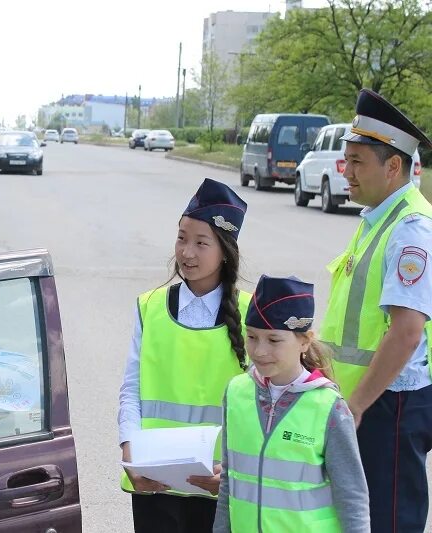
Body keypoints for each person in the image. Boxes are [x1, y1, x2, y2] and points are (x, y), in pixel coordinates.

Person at [319, 89, 432, 532]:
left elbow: (406, 332)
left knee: (388, 521)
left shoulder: (410, 230)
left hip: (389, 404)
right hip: (366, 401)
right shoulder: (378, 219)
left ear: (392, 166)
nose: (345, 172)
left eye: (356, 161)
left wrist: (358, 406)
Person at [118, 178, 251, 533]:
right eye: (181, 238)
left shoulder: (251, 314)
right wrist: (129, 451)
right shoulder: (150, 307)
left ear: (225, 250)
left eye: (201, 243)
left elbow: (264, 408)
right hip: (155, 482)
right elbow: (131, 389)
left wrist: (236, 473)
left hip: (221, 488)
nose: (187, 252)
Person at [213, 275, 370, 532]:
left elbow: (351, 496)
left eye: (274, 340)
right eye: (252, 337)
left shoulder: (329, 406)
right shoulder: (236, 393)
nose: (260, 351)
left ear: (305, 340)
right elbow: (229, 483)